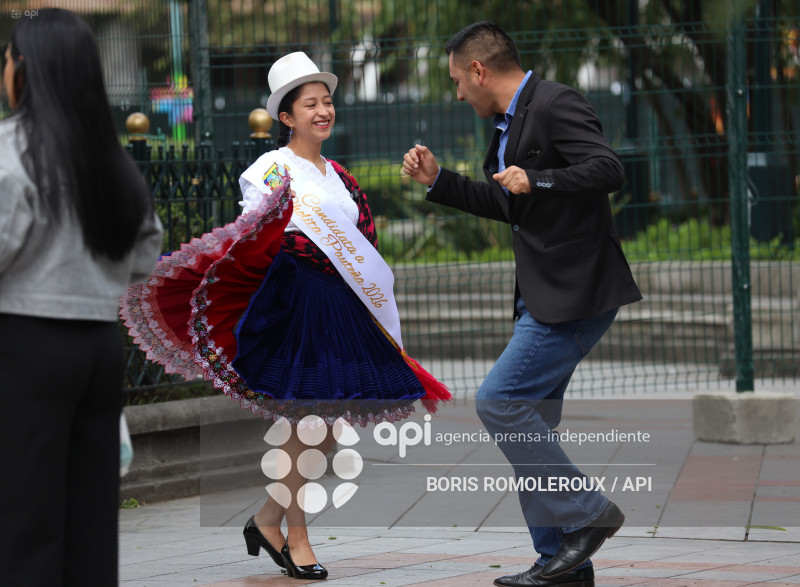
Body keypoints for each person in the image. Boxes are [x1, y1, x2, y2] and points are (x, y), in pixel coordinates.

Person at [121, 51, 449, 580]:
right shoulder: (268, 170)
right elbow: (251, 238)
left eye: (327, 102)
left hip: (340, 305)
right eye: (310, 104)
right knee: (308, 421)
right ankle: (296, 538)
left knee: (329, 427)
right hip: (297, 304)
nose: (323, 111)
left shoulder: (339, 175)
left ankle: (267, 520)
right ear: (287, 117)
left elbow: (361, 240)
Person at [403, 22, 642, 587]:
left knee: (500, 403)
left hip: (575, 294)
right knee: (530, 426)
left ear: (480, 70)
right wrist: (440, 181)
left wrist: (539, 179)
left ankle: (590, 514)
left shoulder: (556, 102)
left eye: (459, 79)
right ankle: (561, 563)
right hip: (546, 294)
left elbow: (609, 169)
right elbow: (509, 202)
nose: (458, 92)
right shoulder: (509, 123)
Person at [0, 9, 163, 587]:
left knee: (24, 516)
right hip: (98, 347)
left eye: (9, 58)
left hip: (27, 341)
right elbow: (146, 252)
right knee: (91, 517)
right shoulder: (111, 158)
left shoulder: (11, 149)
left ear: (27, 68)